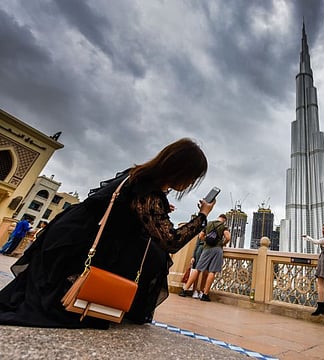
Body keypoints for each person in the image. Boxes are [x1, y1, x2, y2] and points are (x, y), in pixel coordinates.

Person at [0, 138, 215, 329]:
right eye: (191, 177)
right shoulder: (149, 191)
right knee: (156, 257)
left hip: (69, 233)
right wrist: (202, 216)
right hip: (80, 243)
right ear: (180, 171)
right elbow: (171, 241)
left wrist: (156, 210)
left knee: (151, 253)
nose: (189, 184)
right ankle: (115, 302)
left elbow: (120, 203)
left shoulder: (137, 175)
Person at [179, 214, 231, 302]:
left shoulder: (209, 224)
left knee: (197, 269)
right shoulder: (223, 226)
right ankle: (205, 294)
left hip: (206, 249)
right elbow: (228, 237)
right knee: (212, 271)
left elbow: (200, 236)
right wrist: (222, 243)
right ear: (224, 220)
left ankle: (185, 289)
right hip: (217, 249)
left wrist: (206, 240)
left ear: (218, 217)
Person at [302, 223, 324, 316]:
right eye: (323, 228)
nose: (322, 230)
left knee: (320, 284)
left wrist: (307, 237)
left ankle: (320, 307)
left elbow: (315, 241)